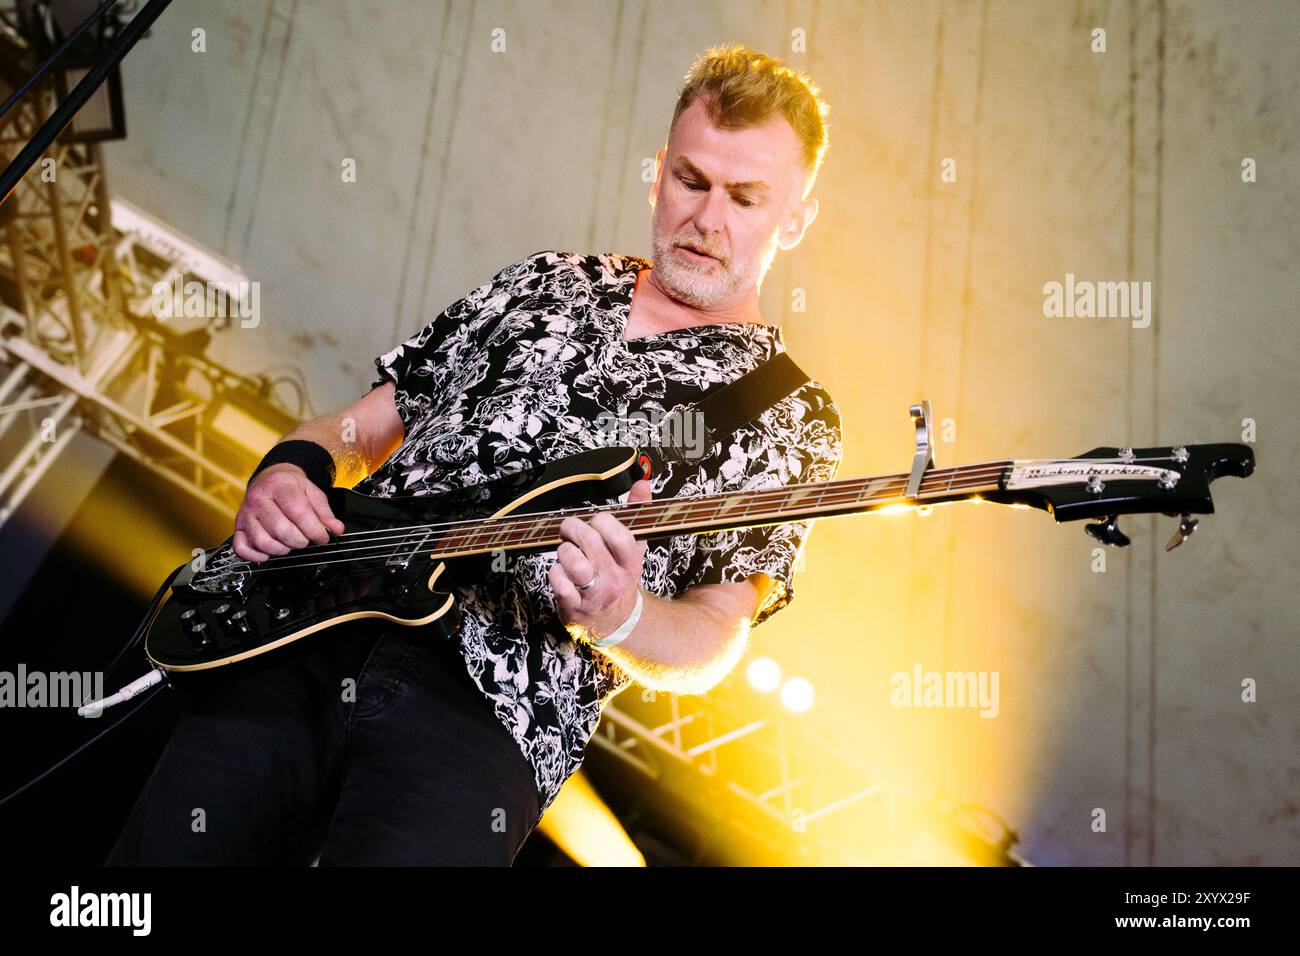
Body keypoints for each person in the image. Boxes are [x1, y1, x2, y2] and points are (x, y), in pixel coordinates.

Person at [106, 43, 843, 866]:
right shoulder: (547, 281)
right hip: (305, 633)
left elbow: (716, 630)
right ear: (658, 169)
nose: (708, 219)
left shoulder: (789, 412)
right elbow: (363, 428)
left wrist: (623, 614)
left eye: (747, 198)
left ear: (797, 218)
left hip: (484, 720)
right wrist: (292, 469)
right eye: (691, 181)